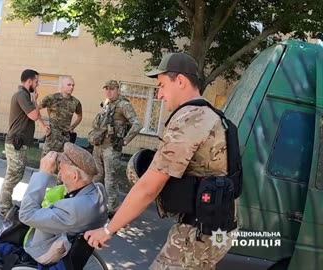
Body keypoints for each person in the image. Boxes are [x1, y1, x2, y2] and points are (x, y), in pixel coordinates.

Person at [84, 53, 238, 270]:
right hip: (217, 226)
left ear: (181, 81)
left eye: (162, 85)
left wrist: (108, 229)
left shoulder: (189, 120)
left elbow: (149, 187)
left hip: (199, 232)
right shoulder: (214, 115)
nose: (159, 94)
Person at [19, 142, 108, 265]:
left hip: (42, 251)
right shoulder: (99, 190)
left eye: (61, 168)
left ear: (75, 176)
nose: (59, 173)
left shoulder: (73, 208)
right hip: (73, 238)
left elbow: (26, 214)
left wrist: (43, 173)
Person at [0, 69, 50, 218]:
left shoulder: (24, 95)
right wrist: (34, 101)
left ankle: (5, 204)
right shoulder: (22, 95)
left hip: (18, 143)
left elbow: (33, 115)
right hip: (16, 143)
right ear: (29, 81)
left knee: (16, 174)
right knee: (13, 175)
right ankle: (4, 208)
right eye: (36, 81)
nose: (37, 84)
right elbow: (34, 115)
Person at [89, 80, 142, 217]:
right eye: (107, 89)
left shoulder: (123, 105)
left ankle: (112, 210)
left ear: (118, 89)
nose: (109, 91)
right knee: (96, 177)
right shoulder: (106, 104)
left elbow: (137, 124)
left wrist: (124, 141)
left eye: (112, 89)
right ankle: (95, 205)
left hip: (111, 148)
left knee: (110, 180)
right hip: (99, 146)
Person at [39, 77, 82, 157]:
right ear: (62, 86)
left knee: (61, 163)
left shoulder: (75, 102)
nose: (72, 87)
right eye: (69, 85)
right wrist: (43, 126)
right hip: (52, 137)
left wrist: (72, 126)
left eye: (73, 85)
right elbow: (36, 109)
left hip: (65, 138)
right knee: (46, 161)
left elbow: (79, 116)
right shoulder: (51, 98)